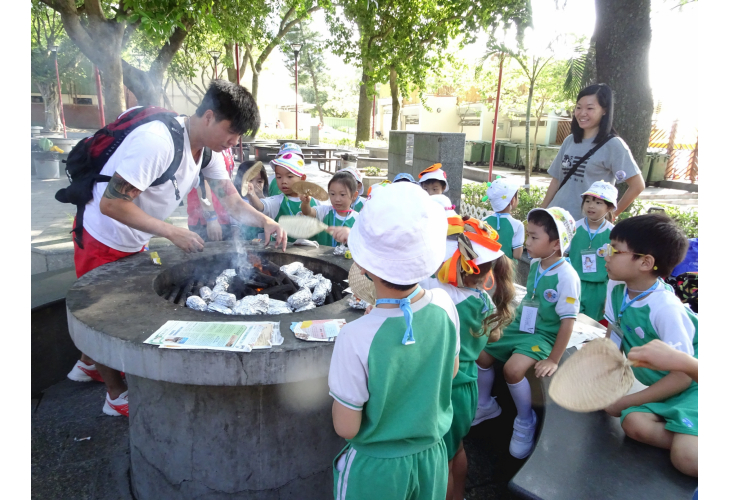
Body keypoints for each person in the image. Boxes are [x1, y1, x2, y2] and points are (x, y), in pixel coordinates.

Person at [65, 81, 287, 416]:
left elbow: (231, 201)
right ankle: (115, 395)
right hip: (103, 237)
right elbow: (112, 204)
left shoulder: (209, 151)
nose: (235, 142)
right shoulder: (157, 142)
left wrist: (265, 221)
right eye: (233, 132)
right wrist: (172, 232)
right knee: (102, 318)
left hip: (134, 236)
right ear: (209, 117)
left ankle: (88, 366)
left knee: (121, 306)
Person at [328, 182, 459, 500]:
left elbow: (347, 427)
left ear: (365, 265)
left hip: (377, 469)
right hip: (431, 459)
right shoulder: (444, 305)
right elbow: (450, 371)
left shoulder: (355, 336)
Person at [420, 211, 515, 500]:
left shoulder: (440, 300)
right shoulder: (482, 299)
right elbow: (494, 336)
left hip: (444, 389)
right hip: (468, 386)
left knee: (442, 462)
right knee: (457, 449)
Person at [472, 207, 580, 459]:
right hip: (521, 325)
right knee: (483, 353)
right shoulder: (536, 263)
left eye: (533, 237)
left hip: (543, 335)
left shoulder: (567, 276)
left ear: (555, 244)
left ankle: (524, 420)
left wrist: (553, 358)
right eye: (527, 235)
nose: (526, 242)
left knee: (513, 369)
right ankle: (486, 404)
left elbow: (568, 320)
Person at [601, 213, 697, 477]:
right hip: (666, 386)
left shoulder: (665, 308)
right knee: (633, 424)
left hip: (694, 386)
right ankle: (686, 432)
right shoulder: (617, 287)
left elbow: (683, 377)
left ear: (645, 262)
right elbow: (614, 334)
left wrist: (624, 401)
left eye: (615, 250)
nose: (606, 255)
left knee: (686, 458)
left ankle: (689, 440)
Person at [539, 83, 645, 221]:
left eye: (590, 108)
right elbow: (556, 180)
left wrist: (610, 215)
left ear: (604, 110)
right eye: (578, 107)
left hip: (584, 225)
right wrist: (541, 211)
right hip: (555, 219)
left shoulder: (613, 145)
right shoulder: (570, 140)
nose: (582, 113)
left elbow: (637, 185)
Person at [566, 180, 617, 323]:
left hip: (600, 288)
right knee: (571, 319)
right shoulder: (574, 228)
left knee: (592, 324)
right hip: (575, 284)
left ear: (609, 207)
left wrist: (611, 293)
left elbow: (616, 264)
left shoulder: (613, 233)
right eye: (588, 201)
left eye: (598, 203)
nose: (591, 206)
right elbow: (563, 254)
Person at [246, 152, 318, 243]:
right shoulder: (277, 201)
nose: (283, 181)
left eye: (289, 176)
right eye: (279, 177)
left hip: (309, 253)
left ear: (302, 178)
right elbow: (260, 206)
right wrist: (251, 193)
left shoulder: (315, 201)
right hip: (281, 252)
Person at [186, 147, 236, 241]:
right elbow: (202, 179)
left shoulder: (227, 145)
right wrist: (211, 218)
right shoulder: (210, 144)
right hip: (205, 218)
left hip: (224, 215)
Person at [301, 171, 358, 246]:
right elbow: (308, 212)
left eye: (342, 194)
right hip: (321, 257)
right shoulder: (324, 211)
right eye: (332, 194)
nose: (337, 199)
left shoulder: (358, 219)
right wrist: (306, 203)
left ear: (354, 195)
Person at [484, 177, 524, 261]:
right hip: (508, 270)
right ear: (512, 200)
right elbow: (517, 255)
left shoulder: (484, 220)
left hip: (487, 268)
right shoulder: (517, 225)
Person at [232, 160, 270, 240]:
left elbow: (268, 214)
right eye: (250, 180)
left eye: (259, 181)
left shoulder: (268, 201)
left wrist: (261, 197)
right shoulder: (237, 201)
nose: (254, 185)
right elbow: (235, 226)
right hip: (246, 242)